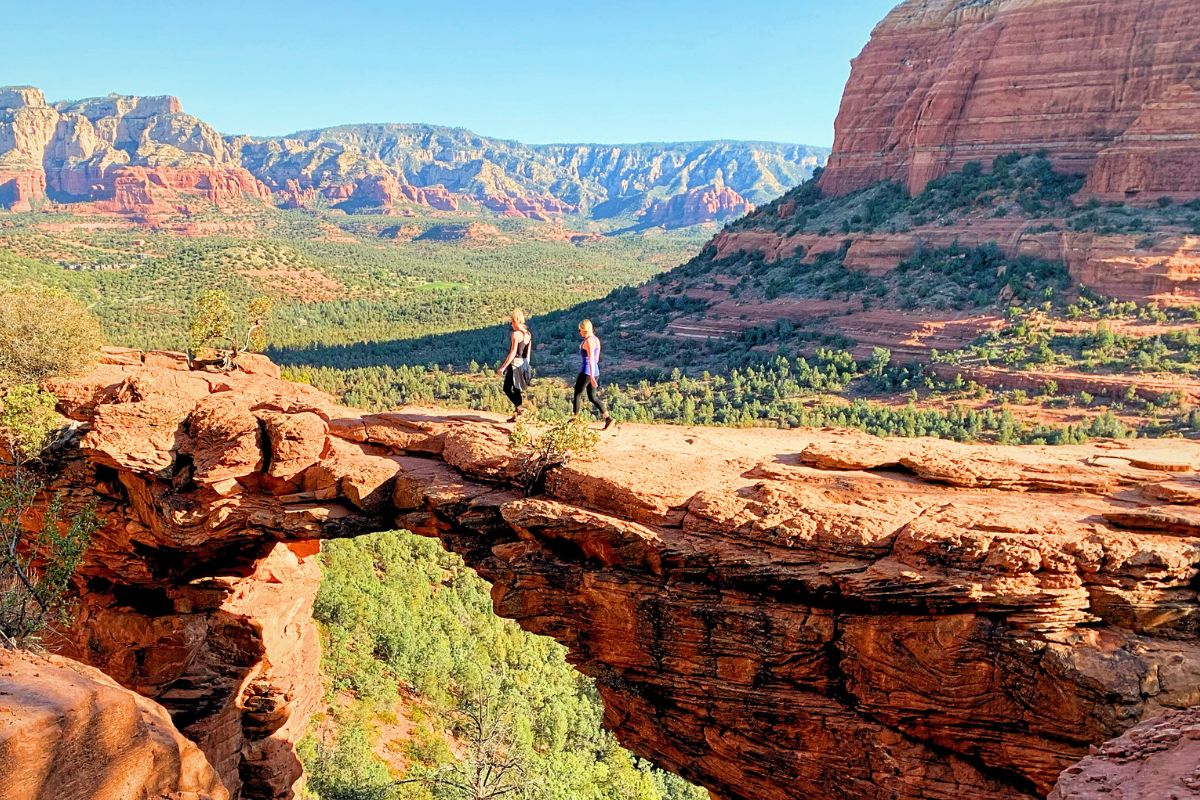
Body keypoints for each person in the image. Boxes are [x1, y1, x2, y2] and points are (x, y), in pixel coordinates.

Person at [574, 319, 614, 430]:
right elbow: (596, 359)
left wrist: (591, 375)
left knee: (577, 394)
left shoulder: (588, 341)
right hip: (595, 370)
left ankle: (575, 419)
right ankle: (608, 418)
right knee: (592, 397)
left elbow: (591, 359)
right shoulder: (596, 339)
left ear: (584, 330)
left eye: (579, 330)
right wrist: (594, 373)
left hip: (587, 371)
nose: (579, 332)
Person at [497, 308, 533, 422]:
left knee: (507, 388)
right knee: (516, 389)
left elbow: (513, 352)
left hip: (515, 364)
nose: (511, 325)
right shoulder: (528, 334)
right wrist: (527, 367)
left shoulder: (515, 334)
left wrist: (502, 367)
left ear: (516, 321)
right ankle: (518, 414)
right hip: (523, 364)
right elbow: (528, 354)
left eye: (512, 322)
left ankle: (520, 409)